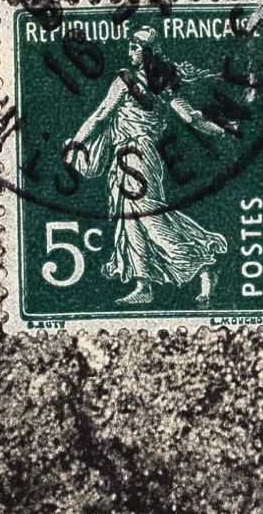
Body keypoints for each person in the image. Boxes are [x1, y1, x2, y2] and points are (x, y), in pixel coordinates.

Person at [64, 24, 232, 306]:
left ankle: (203, 264)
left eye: (135, 46)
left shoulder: (127, 80)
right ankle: (144, 285)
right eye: (130, 45)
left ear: (149, 52)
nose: (130, 51)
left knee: (149, 218)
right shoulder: (163, 86)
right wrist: (224, 130)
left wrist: (76, 143)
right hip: (130, 155)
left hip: (136, 154)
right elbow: (191, 118)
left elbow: (101, 115)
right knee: (130, 221)